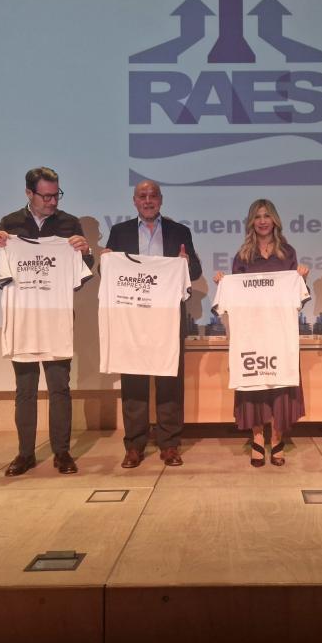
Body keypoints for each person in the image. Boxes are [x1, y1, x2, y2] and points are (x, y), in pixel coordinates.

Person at [0, 167, 94, 477]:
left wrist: (85, 252)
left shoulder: (69, 224)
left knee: (60, 389)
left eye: (57, 195)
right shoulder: (11, 224)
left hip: (56, 319)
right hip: (24, 321)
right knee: (25, 390)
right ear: (29, 194)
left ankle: (62, 452)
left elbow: (82, 273)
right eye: (46, 196)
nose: (52, 201)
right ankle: (24, 454)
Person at [105, 180, 202, 468]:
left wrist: (186, 263)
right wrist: (105, 262)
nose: (148, 200)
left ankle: (169, 444)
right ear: (134, 201)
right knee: (133, 380)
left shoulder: (179, 231)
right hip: (132, 319)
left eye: (153, 196)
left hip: (167, 317)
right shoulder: (119, 232)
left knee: (169, 382)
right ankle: (134, 446)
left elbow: (195, 270)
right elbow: (107, 271)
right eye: (142, 196)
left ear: (161, 200)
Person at [213, 199, 310, 467]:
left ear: (275, 220)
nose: (263, 221)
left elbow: (297, 298)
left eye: (267, 215)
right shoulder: (242, 257)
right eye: (258, 216)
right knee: (253, 384)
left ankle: (277, 438)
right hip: (253, 334)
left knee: (279, 384)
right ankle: (257, 438)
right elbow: (235, 301)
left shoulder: (287, 253)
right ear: (251, 222)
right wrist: (225, 284)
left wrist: (302, 278)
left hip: (279, 333)